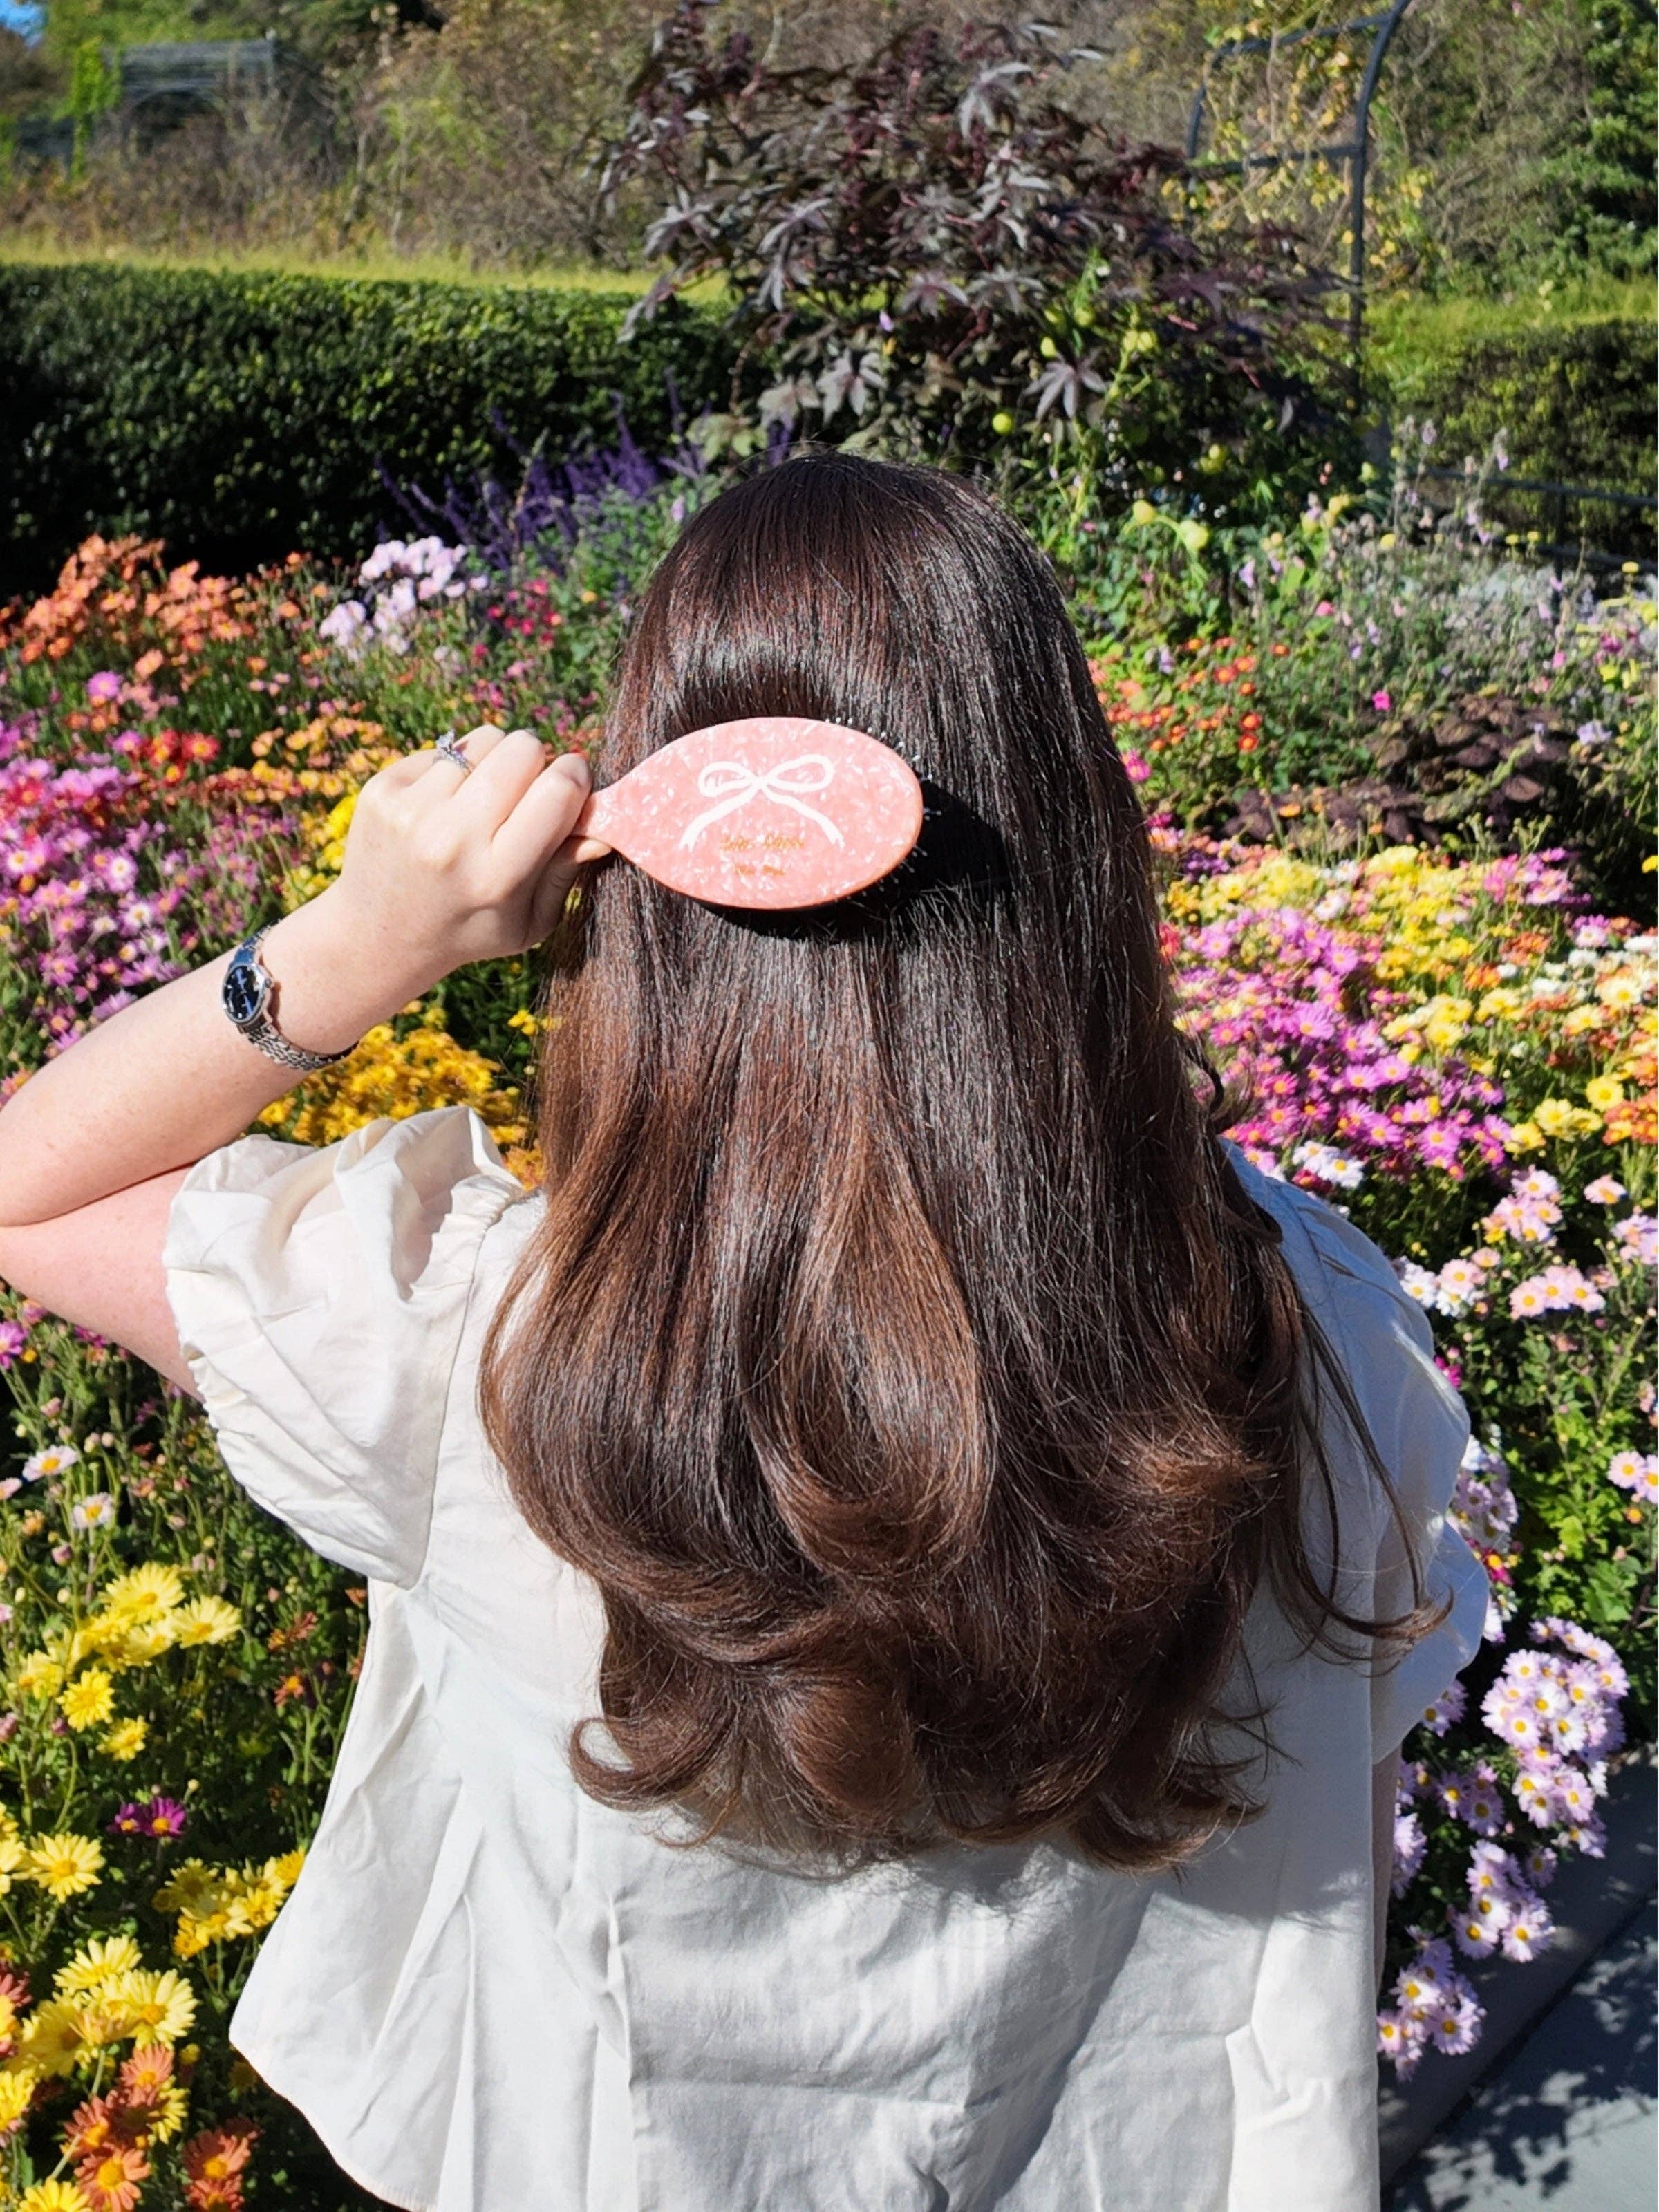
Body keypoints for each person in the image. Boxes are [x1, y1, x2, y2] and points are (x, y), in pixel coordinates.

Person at [0, 451, 1489, 2211]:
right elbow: (1346, 1853)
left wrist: (355, 943)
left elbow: (26, 1189)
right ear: (1085, 838)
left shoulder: (473, 1355)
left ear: (644, 869)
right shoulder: (1320, 1340)